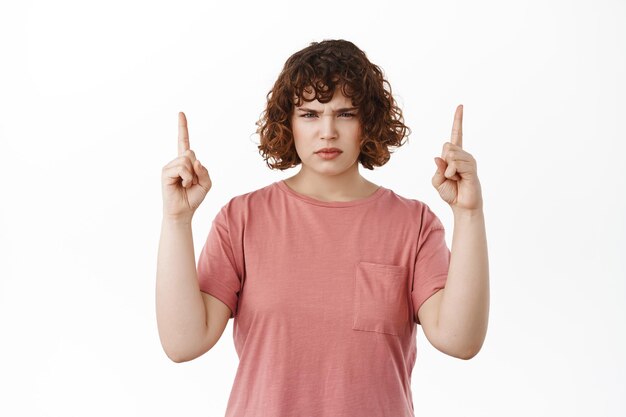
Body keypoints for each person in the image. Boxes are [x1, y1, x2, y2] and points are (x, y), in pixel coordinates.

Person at [156, 39, 489, 417]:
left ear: (369, 122)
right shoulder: (242, 219)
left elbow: (460, 340)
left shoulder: (413, 224)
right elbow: (183, 343)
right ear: (288, 122)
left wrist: (469, 214)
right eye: (310, 114)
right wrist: (177, 220)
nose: (327, 131)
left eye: (345, 113)